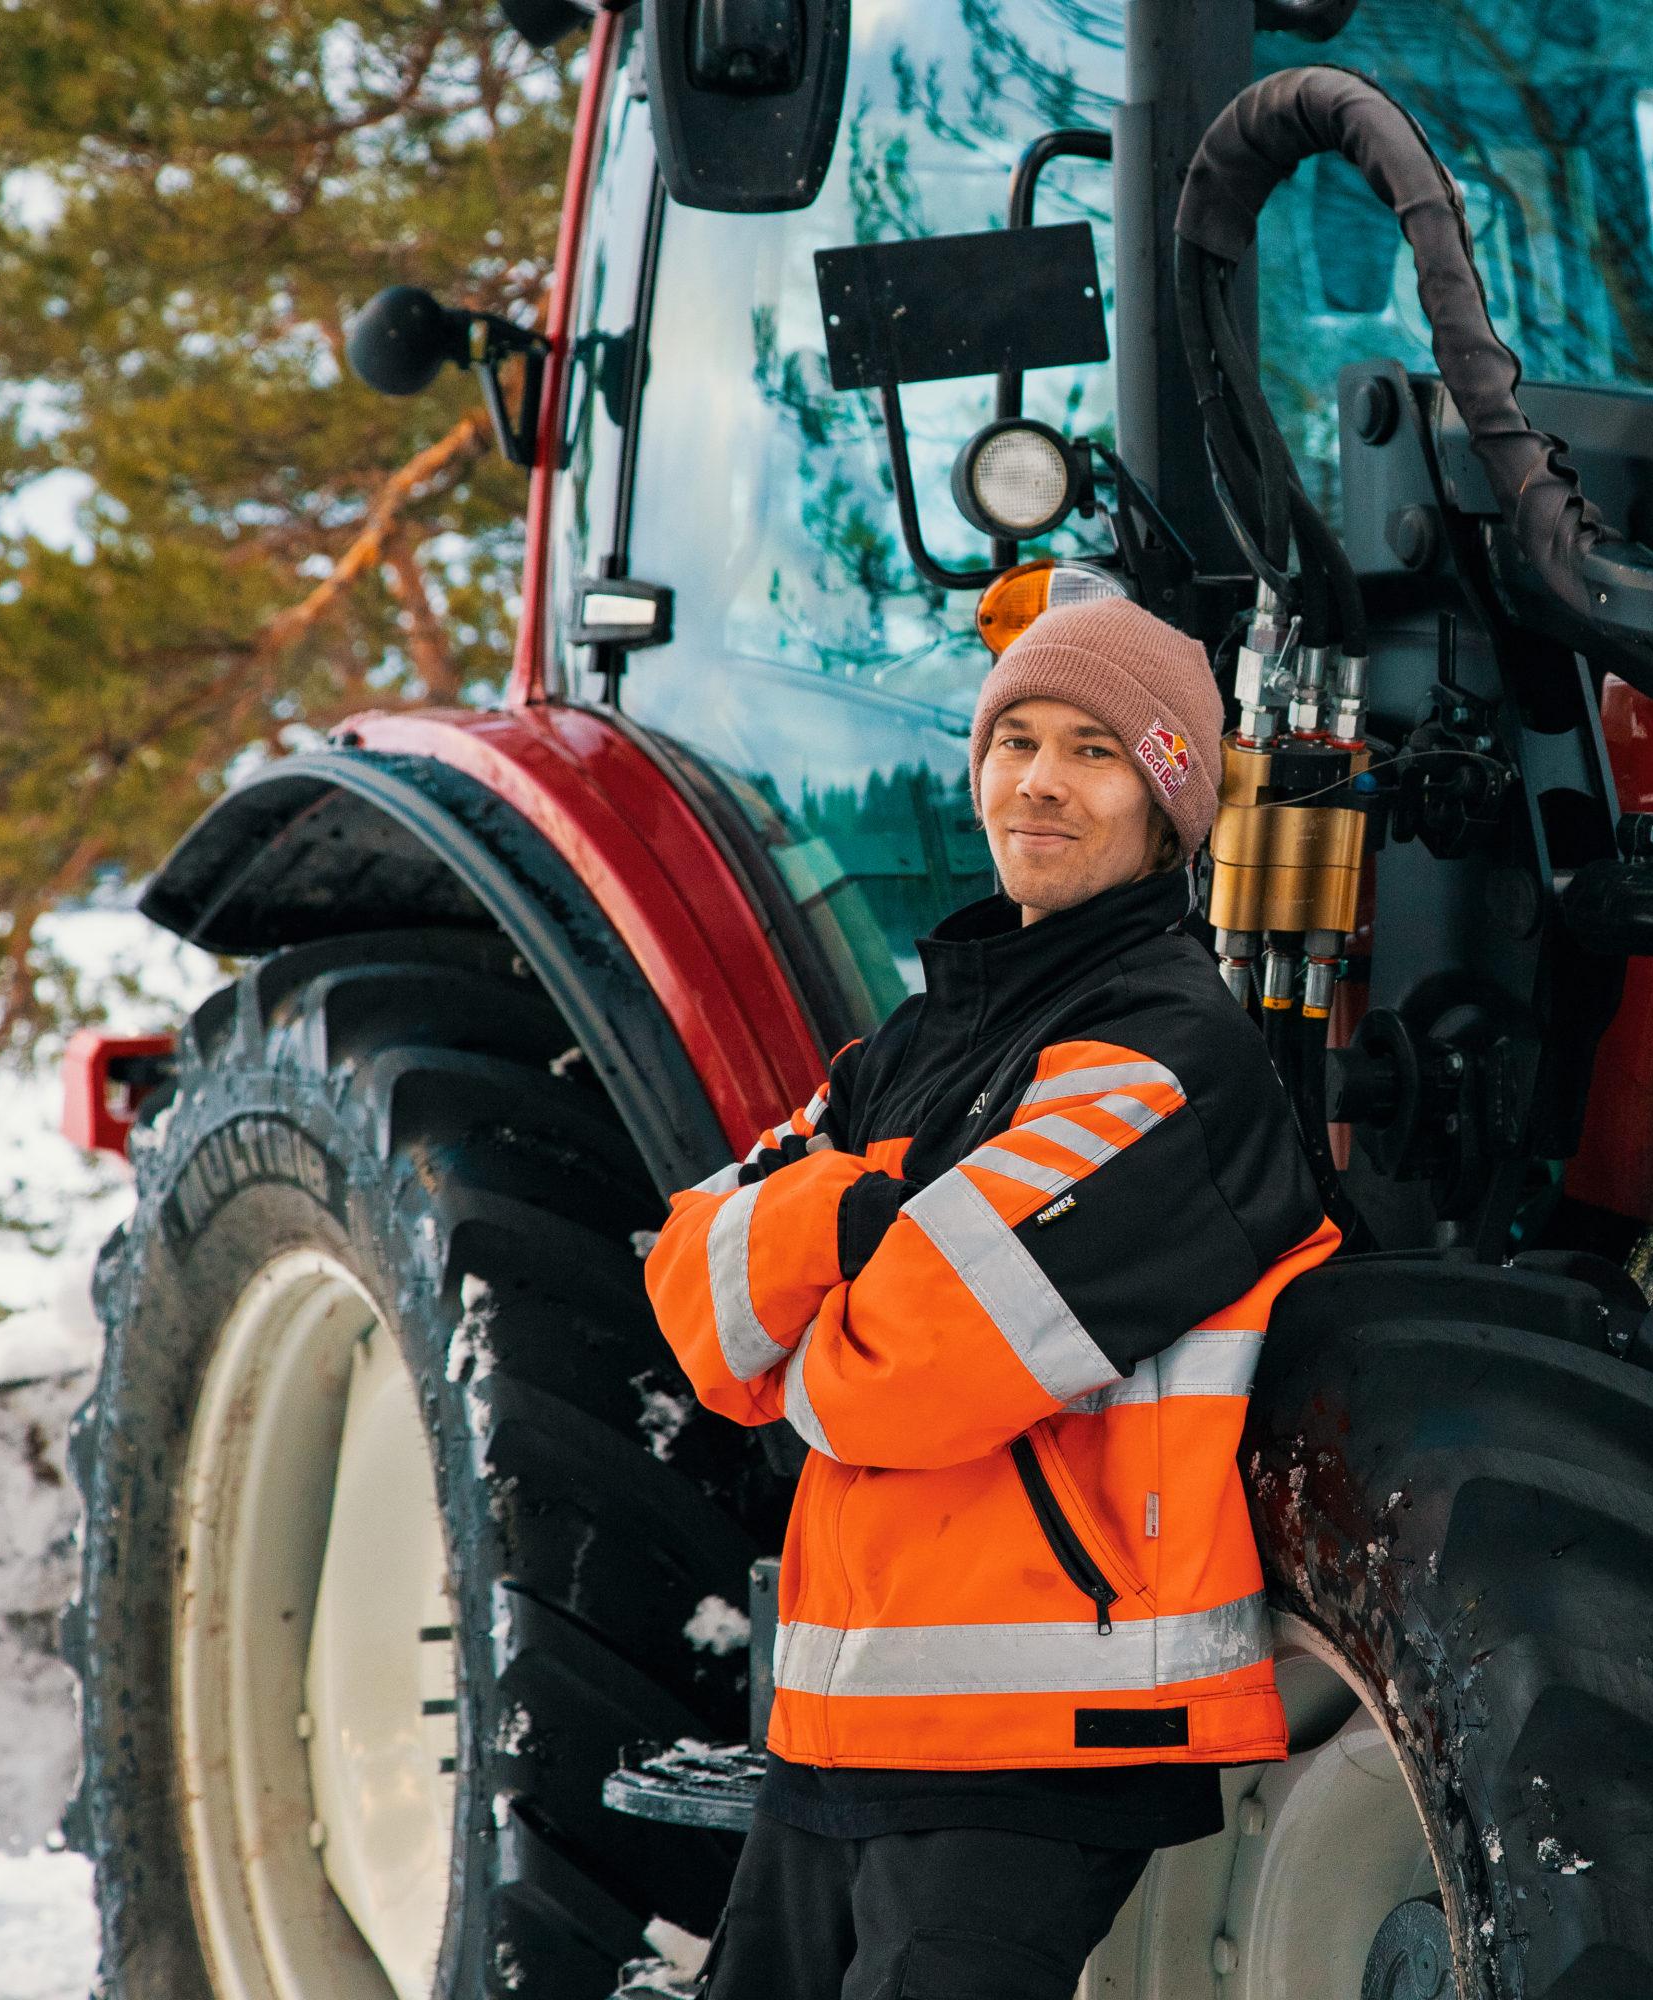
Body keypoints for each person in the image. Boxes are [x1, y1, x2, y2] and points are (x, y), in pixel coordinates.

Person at [644, 597, 1337, 1998]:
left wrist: (818, 1283)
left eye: (1091, 751)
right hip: (847, 1723)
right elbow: (693, 1289)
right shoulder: (922, 1040)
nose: (1037, 779)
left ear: (1166, 802)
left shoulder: (1161, 1055)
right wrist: (853, 1213)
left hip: (1031, 1738)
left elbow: (881, 1372)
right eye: (1014, 739)